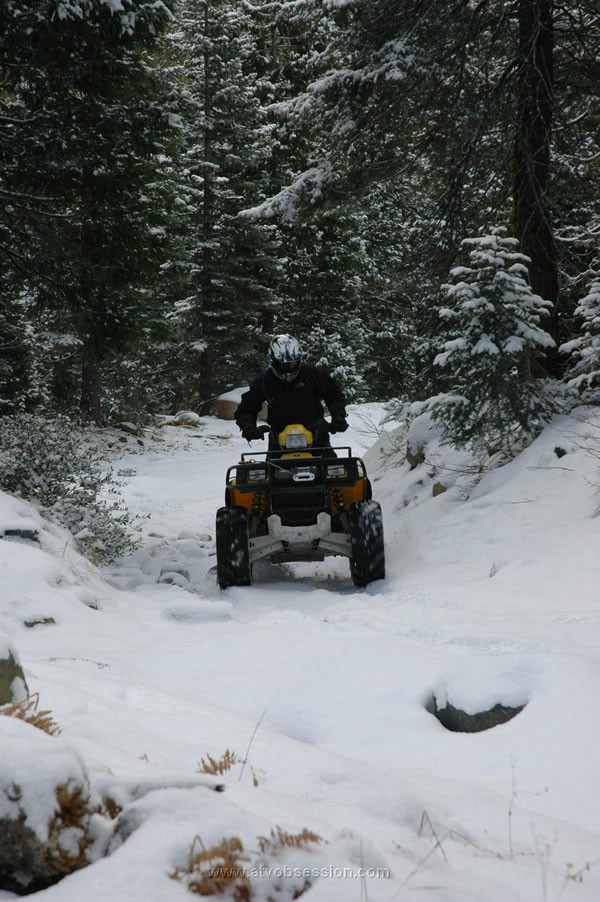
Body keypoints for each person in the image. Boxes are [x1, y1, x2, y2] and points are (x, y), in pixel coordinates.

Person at [235, 334, 348, 453]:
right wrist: (248, 426)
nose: (288, 370)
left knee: (334, 469)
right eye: (282, 365)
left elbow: (333, 393)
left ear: (298, 359)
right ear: (273, 360)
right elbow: (248, 406)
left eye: (291, 364)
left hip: (316, 434)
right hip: (279, 437)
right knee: (269, 470)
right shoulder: (264, 380)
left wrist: (338, 417)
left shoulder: (311, 374)